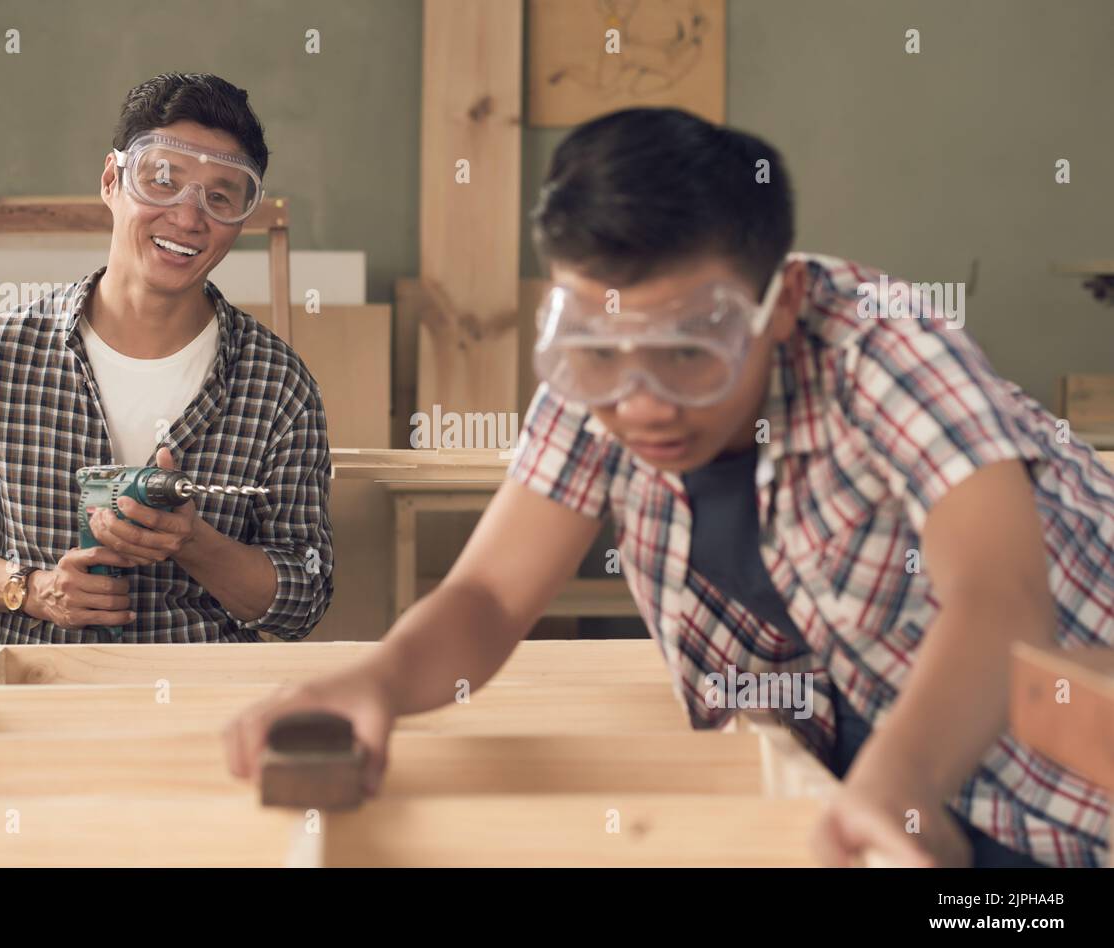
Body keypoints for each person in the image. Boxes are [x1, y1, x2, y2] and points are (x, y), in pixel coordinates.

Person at [223, 107, 1113, 867]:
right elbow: (491, 595)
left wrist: (906, 777)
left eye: (690, 351)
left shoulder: (883, 345)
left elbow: (998, 596)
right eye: (601, 350)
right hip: (854, 794)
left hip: (1060, 796)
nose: (640, 400)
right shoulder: (596, 383)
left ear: (786, 299)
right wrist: (377, 679)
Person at [0, 72, 334, 643]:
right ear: (111, 180)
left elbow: (305, 597)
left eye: (220, 197)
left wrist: (195, 543)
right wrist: (32, 589)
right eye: (163, 181)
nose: (189, 217)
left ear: (240, 219)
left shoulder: (279, 385)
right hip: (42, 697)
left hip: (203, 708)